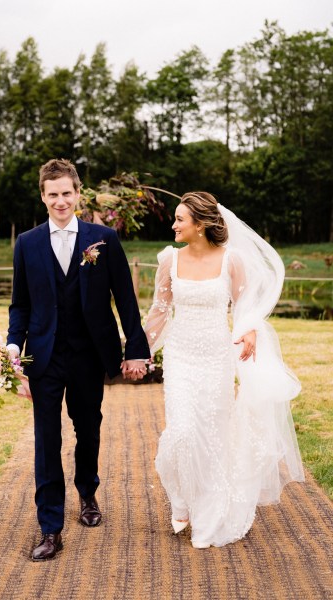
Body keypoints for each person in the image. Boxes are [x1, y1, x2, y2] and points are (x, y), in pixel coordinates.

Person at [7, 158, 150, 561]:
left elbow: (125, 298)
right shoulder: (27, 243)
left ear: (77, 193)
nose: (60, 201)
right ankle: (50, 526)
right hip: (44, 357)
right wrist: (14, 347)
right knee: (46, 440)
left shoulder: (104, 239)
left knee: (88, 430)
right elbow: (20, 305)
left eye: (67, 193)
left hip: (89, 354)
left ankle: (87, 493)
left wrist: (135, 348)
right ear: (43, 196)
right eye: (52, 194)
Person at [145, 192, 304, 549]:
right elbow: (159, 310)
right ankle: (182, 499)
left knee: (211, 435)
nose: (173, 225)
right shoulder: (169, 260)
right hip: (181, 356)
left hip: (217, 358)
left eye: (180, 220)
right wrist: (138, 351)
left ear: (200, 225)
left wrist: (248, 330)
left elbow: (245, 307)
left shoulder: (231, 260)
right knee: (182, 432)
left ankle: (207, 511)